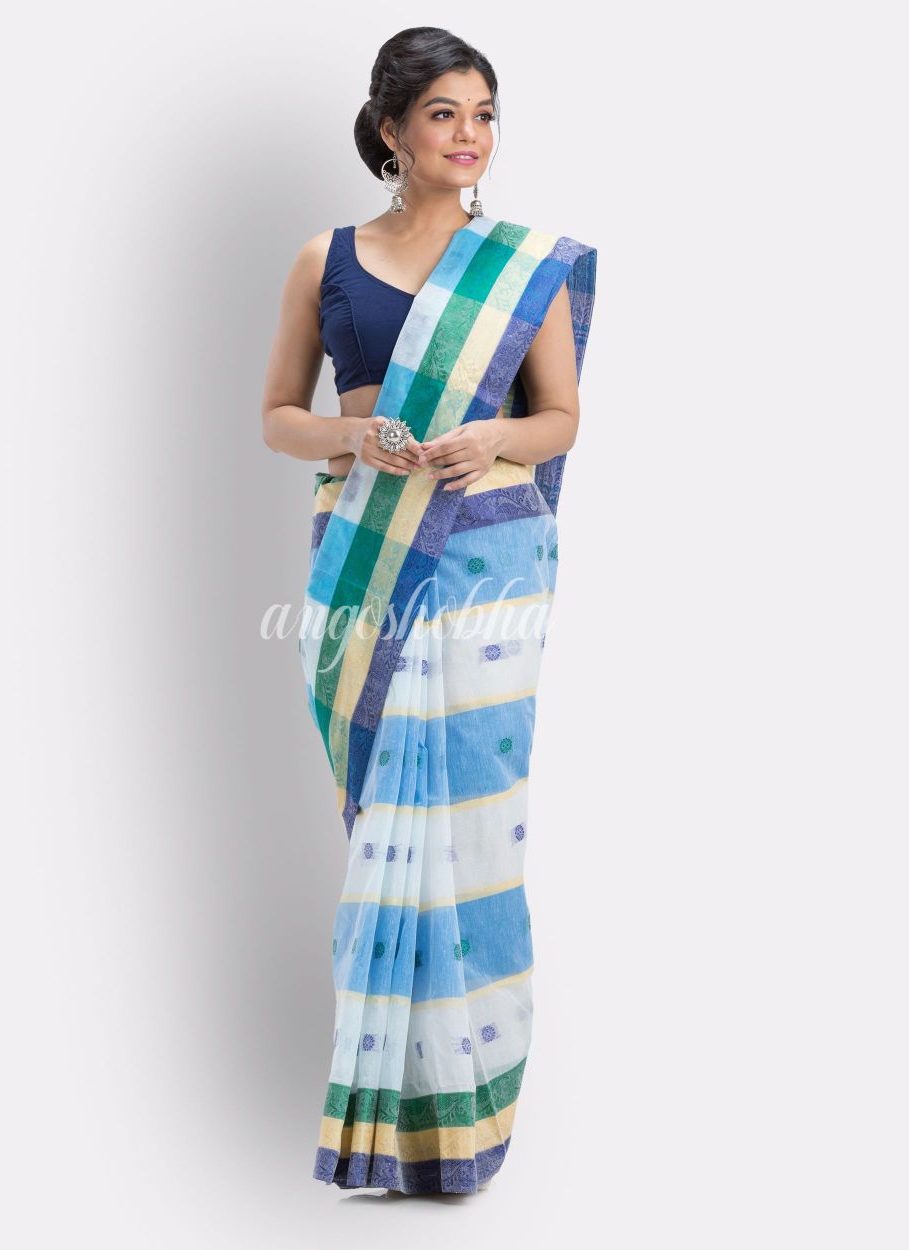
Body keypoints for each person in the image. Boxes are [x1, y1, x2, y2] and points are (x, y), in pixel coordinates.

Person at [261, 26, 597, 1196]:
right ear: (391, 130)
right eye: (445, 112)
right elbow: (277, 416)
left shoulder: (524, 266)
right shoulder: (326, 258)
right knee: (382, 826)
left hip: (488, 558)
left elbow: (559, 418)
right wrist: (352, 433)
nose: (469, 135)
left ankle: (469, 1112)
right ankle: (387, 1114)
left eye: (484, 113)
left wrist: (490, 433)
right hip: (364, 550)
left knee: (472, 824)